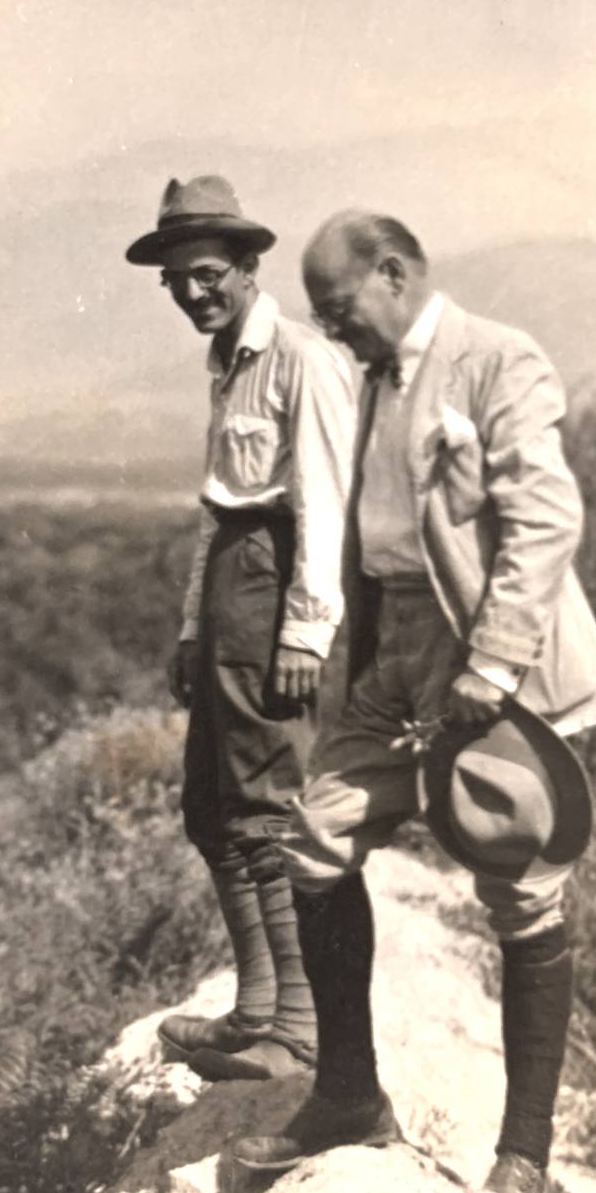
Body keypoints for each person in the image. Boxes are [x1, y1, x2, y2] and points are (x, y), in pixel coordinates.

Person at [231, 210, 596, 1193]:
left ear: (395, 273)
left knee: (519, 882)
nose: (331, 332)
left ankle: (525, 1160)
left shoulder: (499, 359)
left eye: (339, 309)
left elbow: (544, 521)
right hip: (390, 653)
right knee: (315, 842)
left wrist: (496, 663)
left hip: (479, 647)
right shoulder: (368, 378)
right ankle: (349, 1099)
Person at [124, 177, 355, 1082]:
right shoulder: (225, 361)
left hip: (274, 585)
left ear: (252, 267)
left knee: (265, 807)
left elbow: (326, 502)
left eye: (209, 274)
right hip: (230, 586)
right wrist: (192, 624)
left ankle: (297, 1031)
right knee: (211, 809)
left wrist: (305, 633)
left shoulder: (300, 357)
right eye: (177, 280)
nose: (193, 293)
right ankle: (257, 1008)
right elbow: (218, 508)